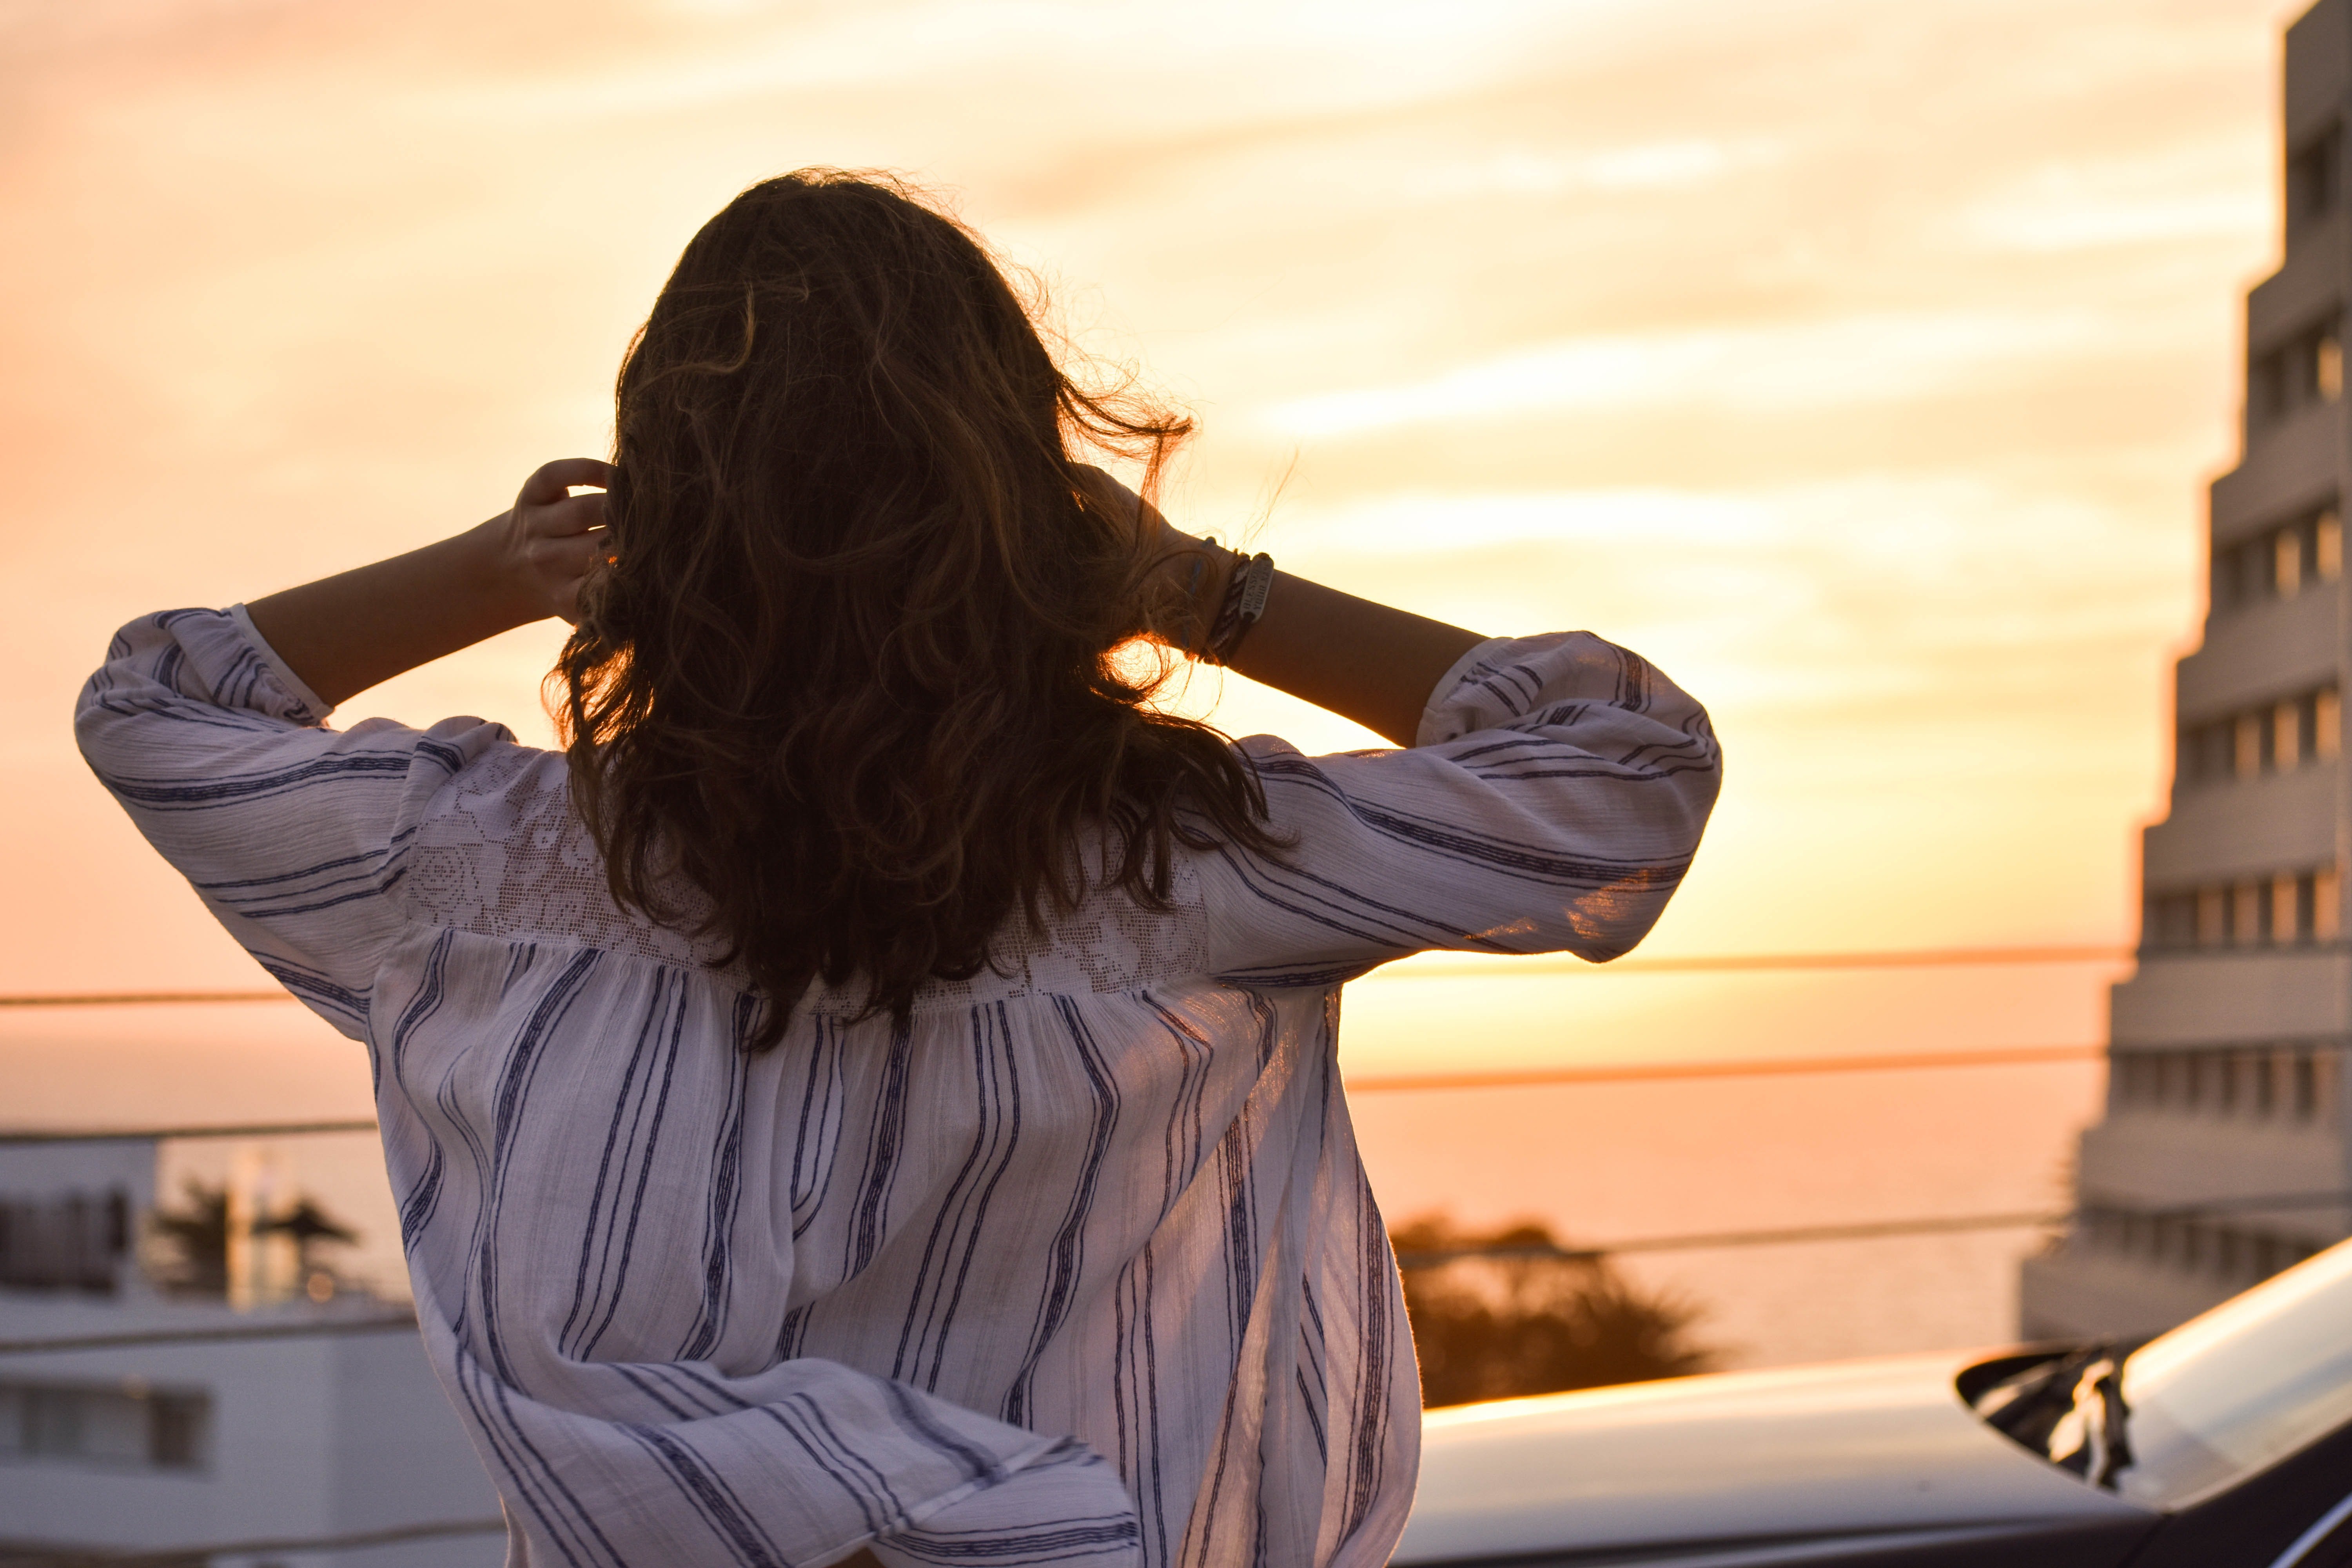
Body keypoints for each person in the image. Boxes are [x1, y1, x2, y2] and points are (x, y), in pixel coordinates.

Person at [76, 169, 1720, 1568]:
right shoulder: (1185, 868)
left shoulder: (490, 868)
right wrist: (1192, 586)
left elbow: (159, 704)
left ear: (664, 511)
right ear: (1021, 505)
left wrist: (499, 566)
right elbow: (1623, 764)